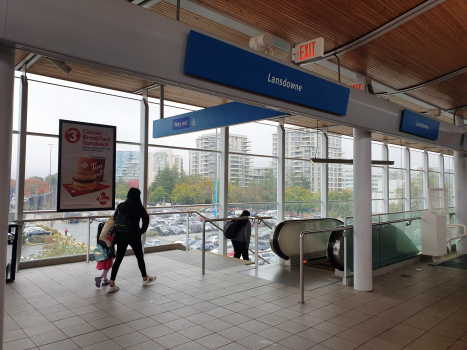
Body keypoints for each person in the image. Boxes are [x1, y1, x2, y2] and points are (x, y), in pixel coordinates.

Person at [107, 188, 156, 293]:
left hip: (121, 235)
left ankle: (111, 283)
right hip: (134, 235)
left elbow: (115, 219)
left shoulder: (121, 206)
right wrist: (141, 231)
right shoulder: (138, 207)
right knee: (139, 257)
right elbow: (146, 219)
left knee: (119, 259)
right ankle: (144, 278)